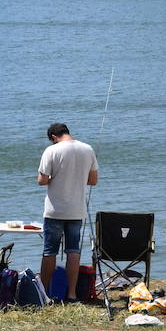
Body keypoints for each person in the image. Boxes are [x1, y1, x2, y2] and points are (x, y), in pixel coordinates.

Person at [37, 122, 98, 302]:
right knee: (73, 251)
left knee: (49, 252)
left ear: (54, 137)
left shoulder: (52, 151)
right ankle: (72, 294)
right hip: (76, 210)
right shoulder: (87, 149)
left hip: (55, 210)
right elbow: (93, 180)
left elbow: (42, 180)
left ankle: (45, 293)